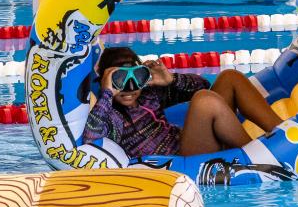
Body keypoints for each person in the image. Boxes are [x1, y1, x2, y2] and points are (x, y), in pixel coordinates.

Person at [84, 46, 282, 158]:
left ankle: (284, 132)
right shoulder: (112, 116)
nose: (129, 87)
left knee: (229, 77)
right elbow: (92, 141)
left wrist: (171, 80)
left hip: (193, 143)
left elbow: (203, 85)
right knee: (205, 102)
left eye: (136, 76)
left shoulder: (149, 95)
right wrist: (107, 94)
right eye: (118, 80)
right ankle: (262, 157)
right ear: (105, 81)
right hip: (183, 162)